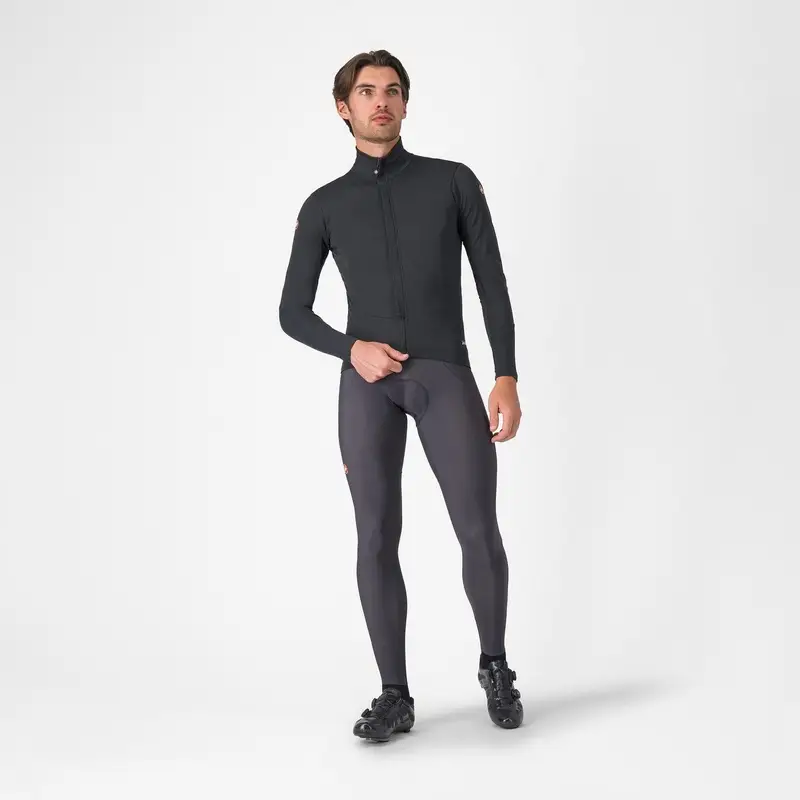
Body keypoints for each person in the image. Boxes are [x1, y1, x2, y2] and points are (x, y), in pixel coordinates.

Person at [279, 49, 524, 743]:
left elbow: (492, 283)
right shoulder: (324, 205)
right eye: (365, 92)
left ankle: (496, 666)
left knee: (477, 526)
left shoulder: (452, 182)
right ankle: (395, 694)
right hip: (367, 385)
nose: (380, 101)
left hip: (444, 374)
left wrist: (506, 373)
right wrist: (350, 349)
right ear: (343, 107)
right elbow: (292, 312)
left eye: (391, 90)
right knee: (376, 535)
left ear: (406, 104)